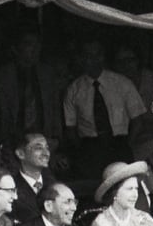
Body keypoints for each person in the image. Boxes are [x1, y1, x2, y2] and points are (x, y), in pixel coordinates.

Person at [63, 40, 147, 178]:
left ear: (103, 56)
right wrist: (83, 150)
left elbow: (138, 120)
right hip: (90, 148)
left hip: (119, 144)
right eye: (89, 55)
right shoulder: (74, 89)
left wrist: (127, 144)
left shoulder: (122, 83)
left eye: (97, 55)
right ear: (82, 58)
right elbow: (70, 128)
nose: (94, 60)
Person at [0, 29, 63, 140]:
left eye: (37, 43)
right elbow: (1, 110)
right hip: (14, 138)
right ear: (16, 48)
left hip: (44, 138)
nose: (35, 48)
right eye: (29, 44)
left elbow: (55, 107)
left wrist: (56, 137)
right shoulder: (5, 75)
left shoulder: (47, 73)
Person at [8, 132, 57, 225]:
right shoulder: (10, 187)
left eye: (47, 148)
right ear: (21, 154)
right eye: (39, 148)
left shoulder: (54, 184)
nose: (46, 153)